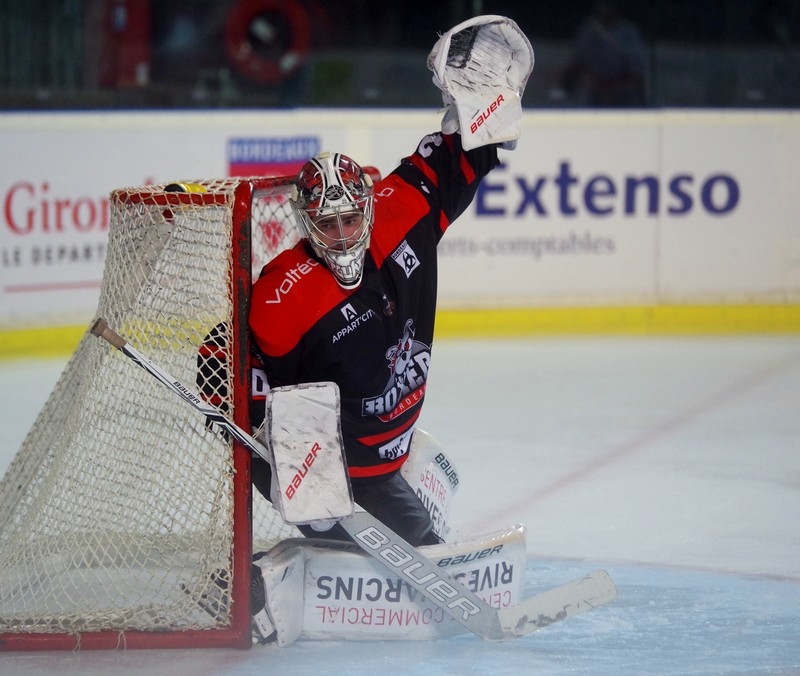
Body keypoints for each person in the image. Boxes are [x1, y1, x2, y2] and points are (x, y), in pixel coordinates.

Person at [561, 1, 647, 107]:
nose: (606, 10)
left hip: (621, 95)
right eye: (603, 6)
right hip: (593, 93)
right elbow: (577, 64)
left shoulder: (629, 33)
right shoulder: (589, 30)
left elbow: (637, 74)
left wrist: (612, 86)